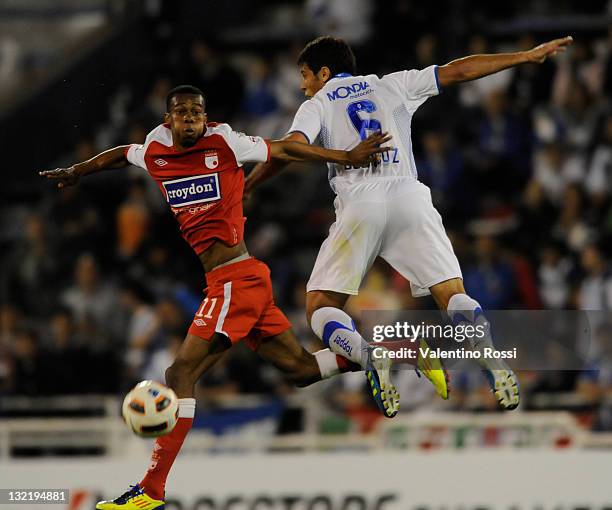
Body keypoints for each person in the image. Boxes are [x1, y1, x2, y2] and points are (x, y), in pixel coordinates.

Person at [40, 84, 393, 510]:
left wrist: (344, 156)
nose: (190, 117)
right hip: (236, 281)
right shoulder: (155, 148)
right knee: (299, 370)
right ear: (168, 119)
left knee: (179, 375)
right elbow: (121, 153)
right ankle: (381, 353)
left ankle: (150, 490)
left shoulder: (224, 141)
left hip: (235, 279)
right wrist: (80, 169)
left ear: (205, 117)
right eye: (181, 111)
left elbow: (284, 150)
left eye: (196, 111)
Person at [245, 35, 574, 411]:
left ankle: (369, 355)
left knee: (320, 306)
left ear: (323, 72)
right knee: (452, 295)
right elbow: (458, 70)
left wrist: (250, 185)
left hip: (360, 202)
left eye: (305, 76)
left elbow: (290, 148)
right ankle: (489, 352)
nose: (303, 86)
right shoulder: (391, 84)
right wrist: (524, 57)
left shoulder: (317, 103)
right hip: (409, 198)